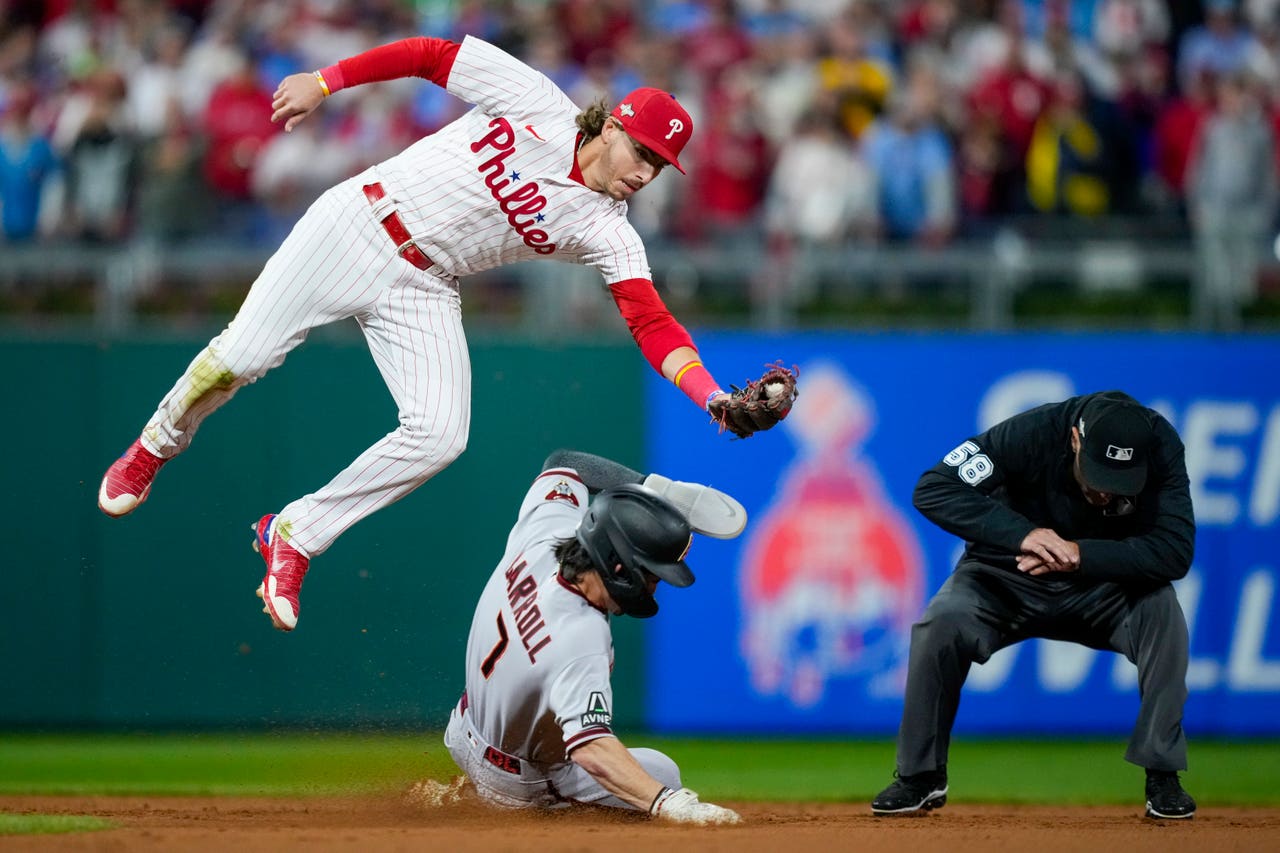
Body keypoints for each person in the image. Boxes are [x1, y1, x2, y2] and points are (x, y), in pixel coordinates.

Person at [97, 34, 776, 632]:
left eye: (660, 165)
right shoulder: (538, 101)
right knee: (242, 355)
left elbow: (650, 320)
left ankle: (295, 532)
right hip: (359, 223)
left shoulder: (609, 228)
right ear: (614, 126)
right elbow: (431, 54)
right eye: (643, 150)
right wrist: (325, 81)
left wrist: (712, 397)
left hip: (425, 284)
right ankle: (154, 445)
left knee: (440, 433)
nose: (645, 171)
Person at [872, 390, 1197, 820]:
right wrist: (1023, 534)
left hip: (1103, 586)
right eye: (1098, 475)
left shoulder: (1162, 445)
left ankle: (1162, 775)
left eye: (1119, 482)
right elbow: (934, 488)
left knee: (1163, 614)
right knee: (941, 623)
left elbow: (1175, 551)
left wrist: (1081, 554)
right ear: (1076, 440)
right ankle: (921, 775)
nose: (1105, 493)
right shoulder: (1031, 433)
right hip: (1005, 577)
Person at [441, 448, 744, 823]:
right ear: (619, 567)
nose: (655, 586)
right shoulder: (580, 638)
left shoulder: (549, 532)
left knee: (644, 768)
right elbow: (591, 749)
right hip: (519, 781)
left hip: (464, 727)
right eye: (651, 575)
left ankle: (468, 792)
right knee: (660, 776)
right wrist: (670, 803)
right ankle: (508, 811)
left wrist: (656, 490)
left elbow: (564, 463)